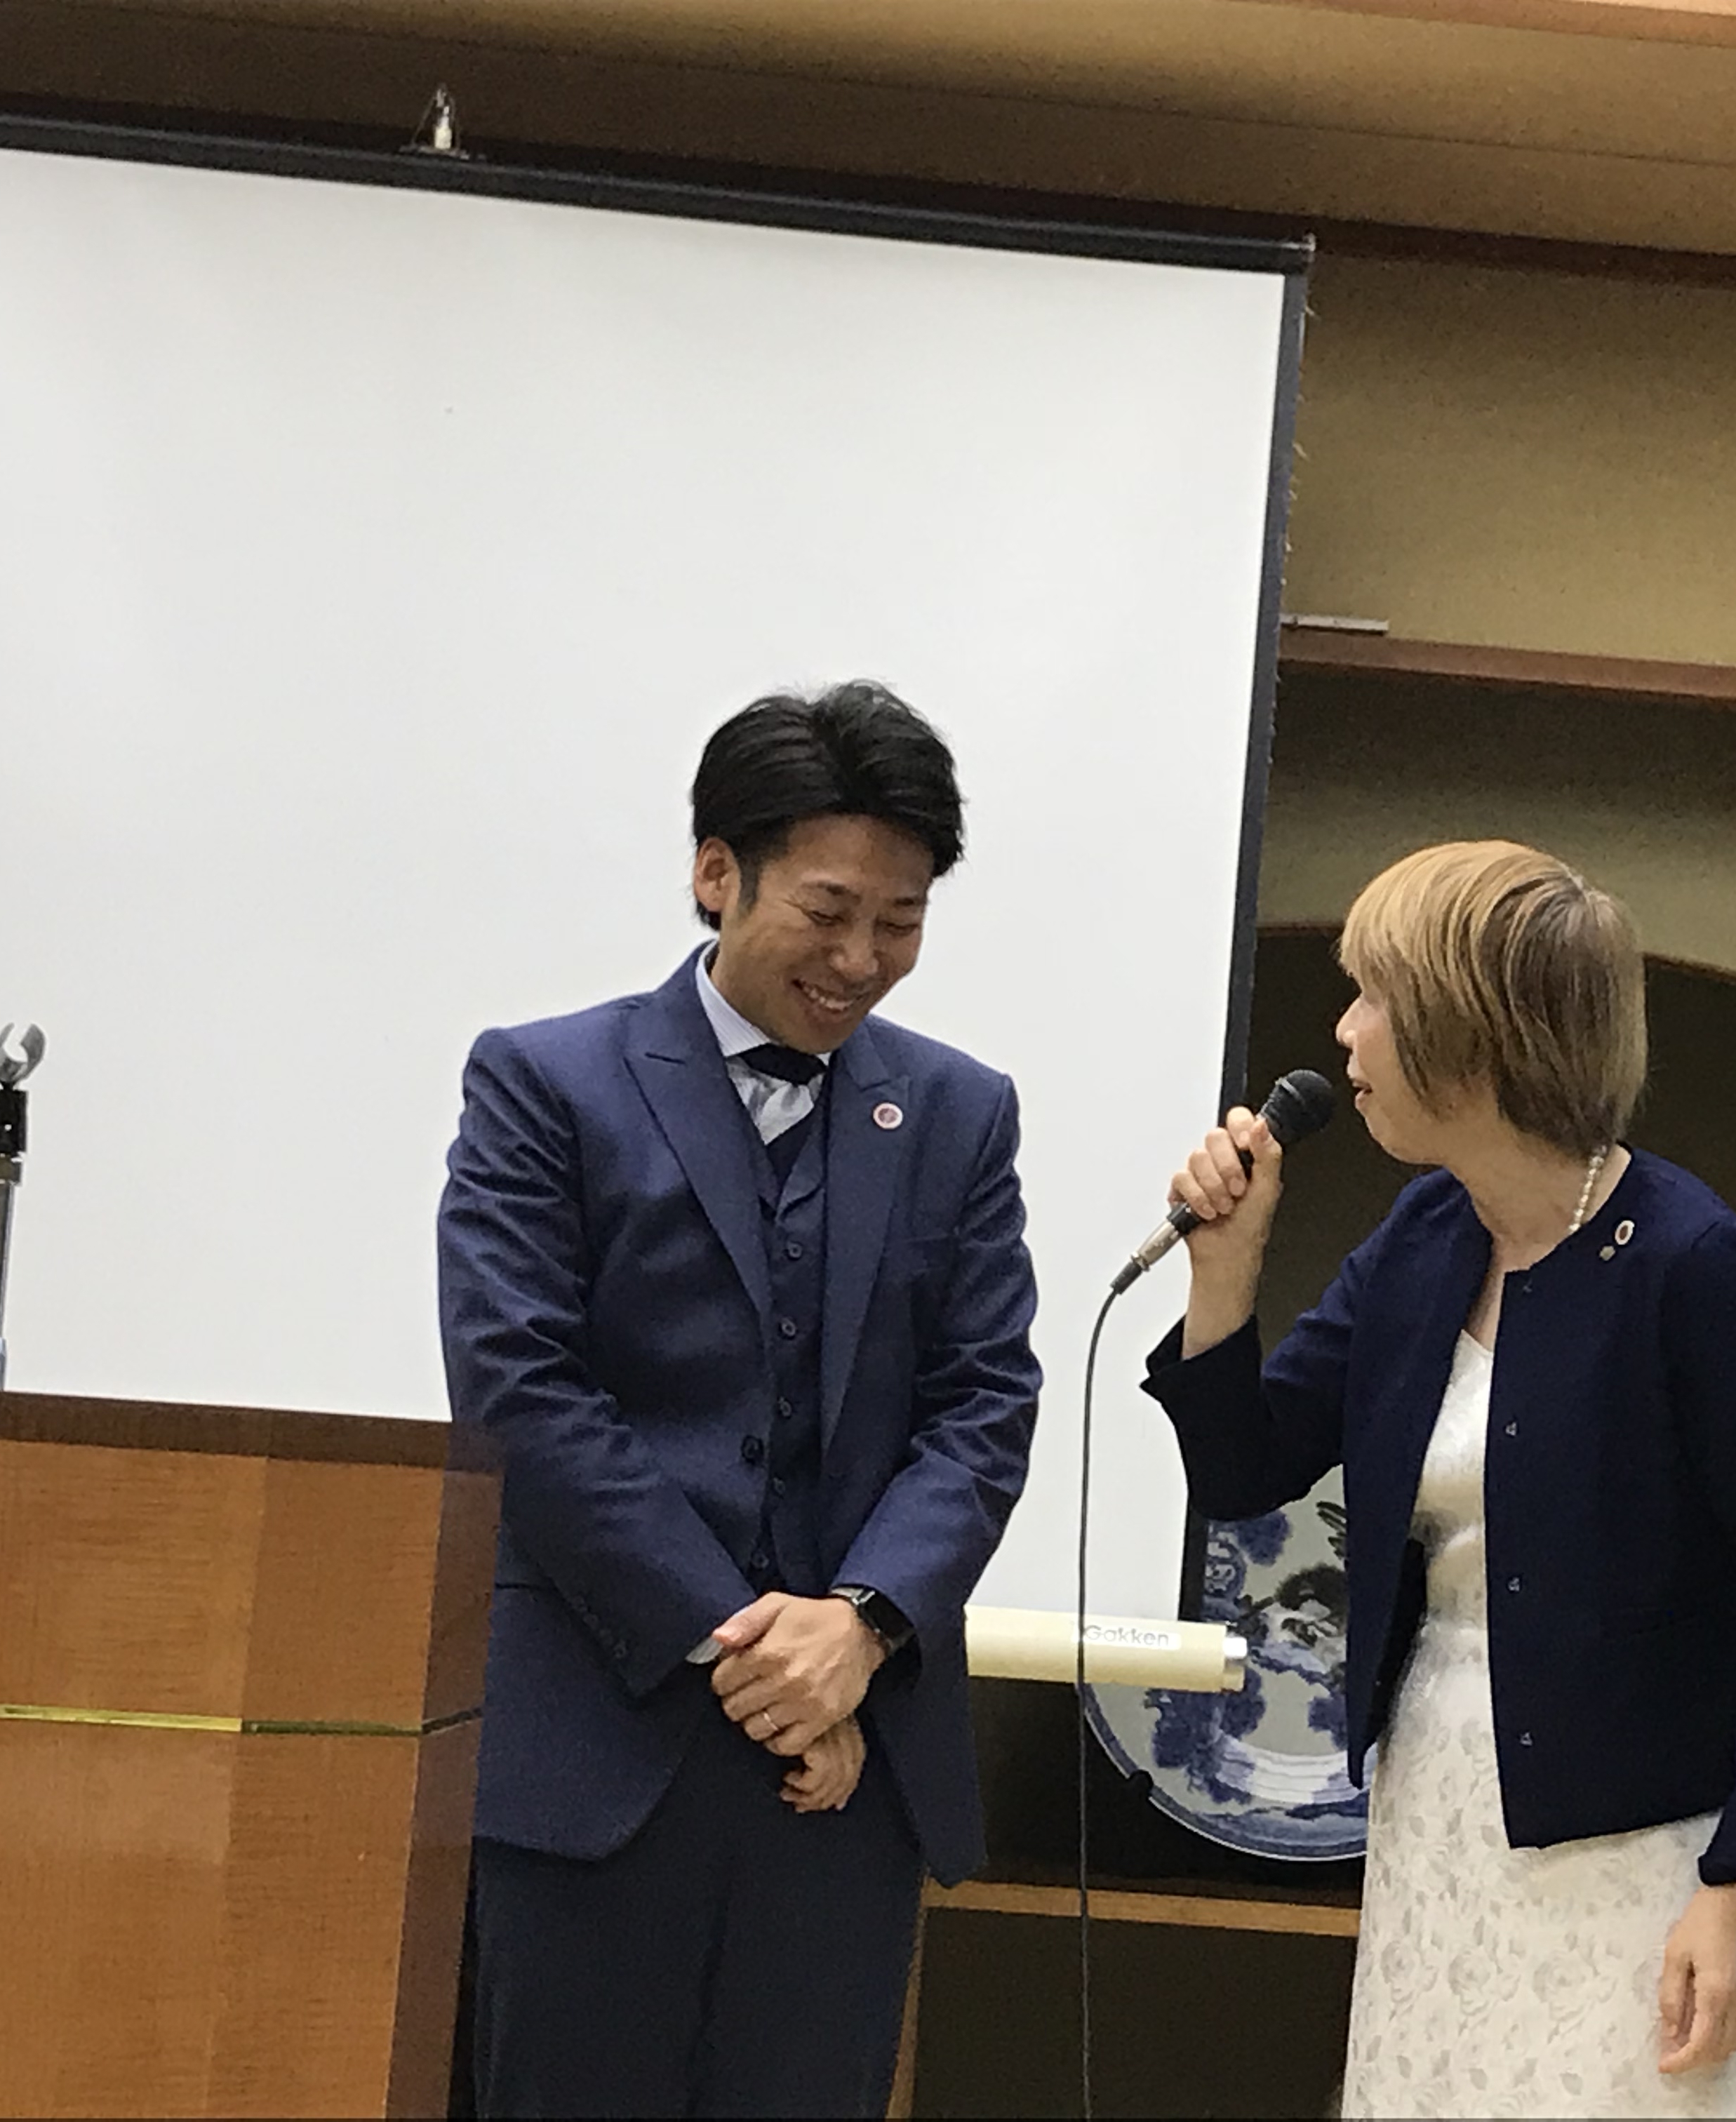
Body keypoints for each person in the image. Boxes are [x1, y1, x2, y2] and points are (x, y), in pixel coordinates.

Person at [1144, 841, 1736, 2118]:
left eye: (1374, 997)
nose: (1343, 1030)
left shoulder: (1692, 1268)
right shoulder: (1426, 1234)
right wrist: (1226, 1274)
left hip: (1637, 1845)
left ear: (1472, 1040)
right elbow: (1248, 1468)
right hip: (1437, 1801)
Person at [437, 680, 1040, 2118]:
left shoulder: (959, 1113)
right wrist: (757, 1658)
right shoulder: (545, 1083)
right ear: (718, 873)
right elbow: (524, 1391)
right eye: (828, 912)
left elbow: (984, 1402)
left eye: (901, 923)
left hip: (845, 1785)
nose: (862, 960)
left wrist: (864, 1625)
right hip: (601, 1760)